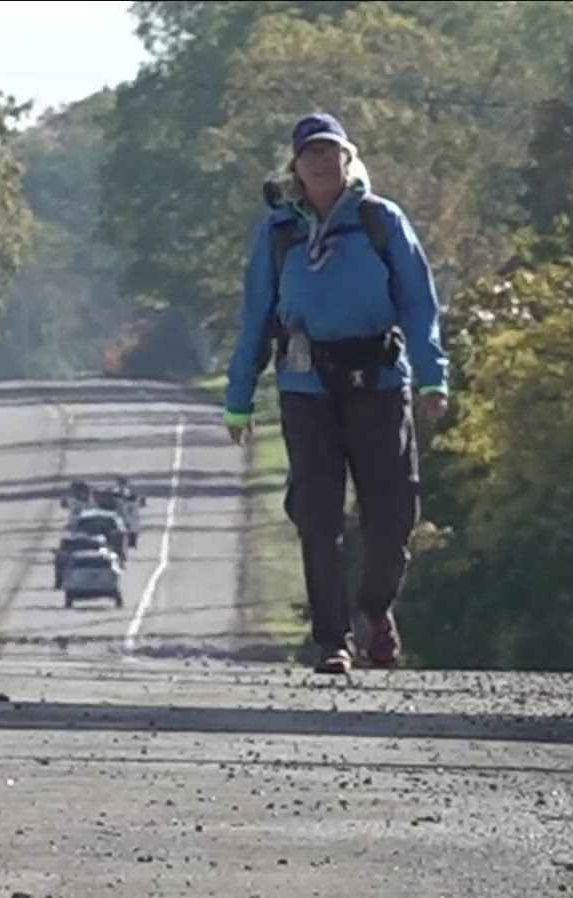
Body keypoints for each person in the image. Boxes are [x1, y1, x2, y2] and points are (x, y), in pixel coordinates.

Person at [223, 112, 449, 675]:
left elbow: (420, 302)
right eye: (311, 155)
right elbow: (257, 315)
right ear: (295, 167)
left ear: (350, 161)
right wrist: (239, 394)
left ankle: (376, 609)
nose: (322, 163)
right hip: (307, 387)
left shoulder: (380, 221)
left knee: (392, 514)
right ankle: (333, 640)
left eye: (332, 153)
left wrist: (431, 376)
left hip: (378, 382)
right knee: (317, 516)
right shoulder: (278, 233)